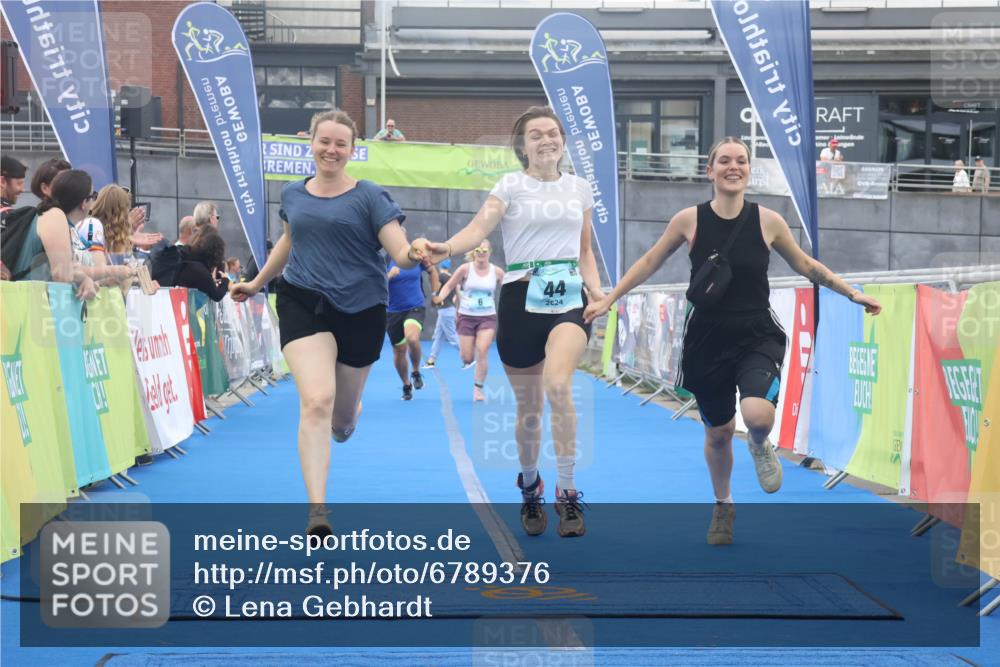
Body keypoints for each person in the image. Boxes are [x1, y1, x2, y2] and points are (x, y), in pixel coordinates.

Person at [584, 137, 882, 546]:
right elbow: (650, 261)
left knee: (757, 415)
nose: (733, 166)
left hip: (756, 332)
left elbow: (807, 264)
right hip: (707, 337)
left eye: (741, 160)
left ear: (748, 170)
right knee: (719, 432)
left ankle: (760, 444)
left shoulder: (769, 221)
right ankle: (723, 505)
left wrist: (852, 293)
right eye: (724, 160)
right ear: (710, 171)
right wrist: (609, 299)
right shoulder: (688, 220)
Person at [412, 106, 604, 538]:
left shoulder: (580, 188)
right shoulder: (510, 185)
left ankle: (568, 492)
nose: (546, 140)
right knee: (530, 409)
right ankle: (530, 485)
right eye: (536, 135)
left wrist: (596, 290)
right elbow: (479, 229)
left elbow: (586, 251)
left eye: (553, 133)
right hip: (521, 296)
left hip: (569, 296)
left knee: (559, 385)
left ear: (563, 141)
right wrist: (446, 246)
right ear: (522, 146)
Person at [230, 109, 417, 538]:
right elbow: (289, 241)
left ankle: (347, 418)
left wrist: (418, 254)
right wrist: (258, 282)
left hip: (361, 307)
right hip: (302, 299)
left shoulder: (370, 196)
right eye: (324, 141)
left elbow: (399, 250)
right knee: (315, 400)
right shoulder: (293, 194)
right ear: (310, 143)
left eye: (341, 144)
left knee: (341, 419)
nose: (331, 150)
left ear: (353, 150)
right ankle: (318, 511)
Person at [8, 169, 101, 300]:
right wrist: (87, 278)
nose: (94, 201)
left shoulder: (59, 221)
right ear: (83, 203)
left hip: (30, 303)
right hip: (28, 305)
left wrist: (90, 279)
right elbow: (62, 273)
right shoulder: (55, 216)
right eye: (94, 196)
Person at [433, 239, 504, 401]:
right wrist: (440, 297)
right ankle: (467, 354)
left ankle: (478, 388)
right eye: (478, 251)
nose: (481, 254)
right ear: (474, 253)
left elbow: (509, 289)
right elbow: (449, 286)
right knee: (466, 357)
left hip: (487, 317)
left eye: (484, 251)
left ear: (489, 253)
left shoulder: (496, 271)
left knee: (483, 349)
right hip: (466, 317)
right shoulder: (465, 269)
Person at [386, 256, 440, 400]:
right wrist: (388, 276)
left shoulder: (416, 259)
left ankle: (415, 372)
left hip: (415, 306)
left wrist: (435, 294)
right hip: (393, 311)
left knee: (412, 338)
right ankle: (406, 384)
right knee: (399, 350)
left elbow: (432, 271)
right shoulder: (383, 261)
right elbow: (373, 285)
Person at [76, 184, 146, 291]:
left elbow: (130, 268)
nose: (129, 214)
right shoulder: (91, 225)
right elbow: (97, 271)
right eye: (127, 209)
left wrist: (146, 283)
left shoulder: (110, 234)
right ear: (119, 212)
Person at [423, 259, 460, 369]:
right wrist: (457, 308)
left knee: (452, 336)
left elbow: (436, 291)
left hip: (445, 311)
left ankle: (469, 357)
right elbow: (457, 294)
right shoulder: (453, 278)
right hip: (448, 310)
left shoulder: (440, 277)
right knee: (438, 336)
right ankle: (431, 360)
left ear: (440, 266)